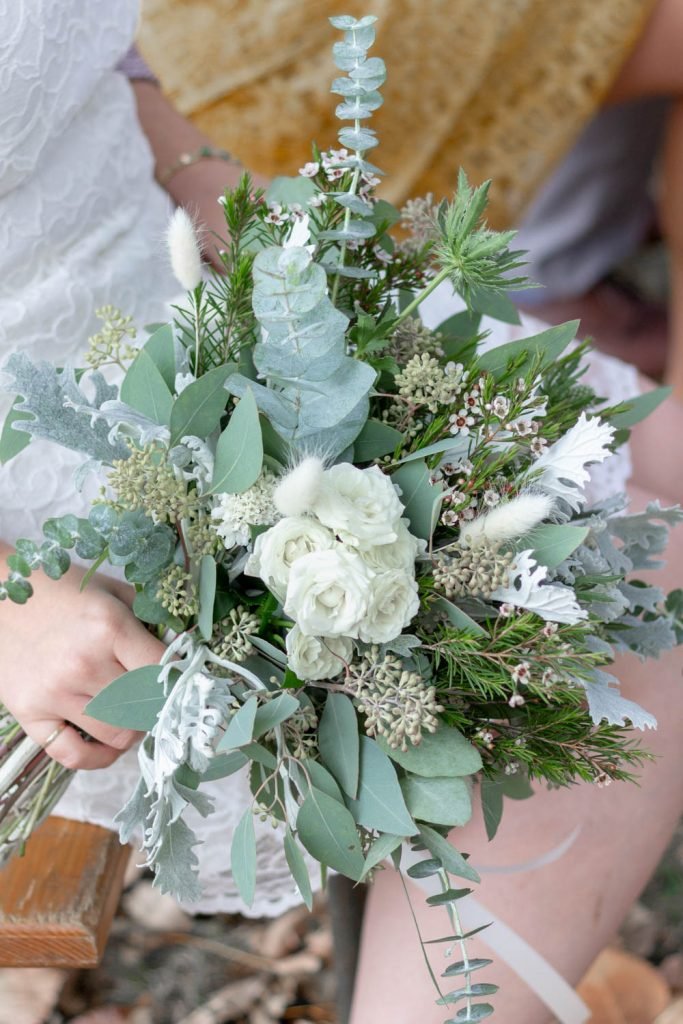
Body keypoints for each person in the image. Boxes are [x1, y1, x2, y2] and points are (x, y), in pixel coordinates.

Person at [0, 3, 682, 1022]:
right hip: (53, 509)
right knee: (615, 600)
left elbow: (104, 64)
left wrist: (258, 239)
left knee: (649, 473)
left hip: (185, 300)